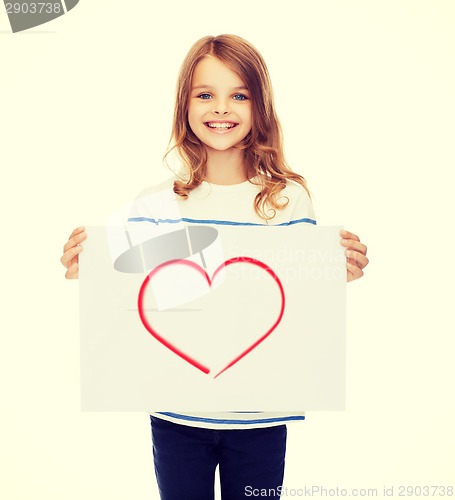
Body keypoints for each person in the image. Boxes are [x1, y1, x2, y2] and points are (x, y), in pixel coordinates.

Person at [61, 34, 369, 500]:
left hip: (261, 414)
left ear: (259, 106)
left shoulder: (287, 200)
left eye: (238, 95)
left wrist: (335, 271)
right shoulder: (157, 203)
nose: (220, 108)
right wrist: (89, 270)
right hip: (176, 414)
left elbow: (292, 293)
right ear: (184, 104)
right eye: (205, 94)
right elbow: (142, 292)